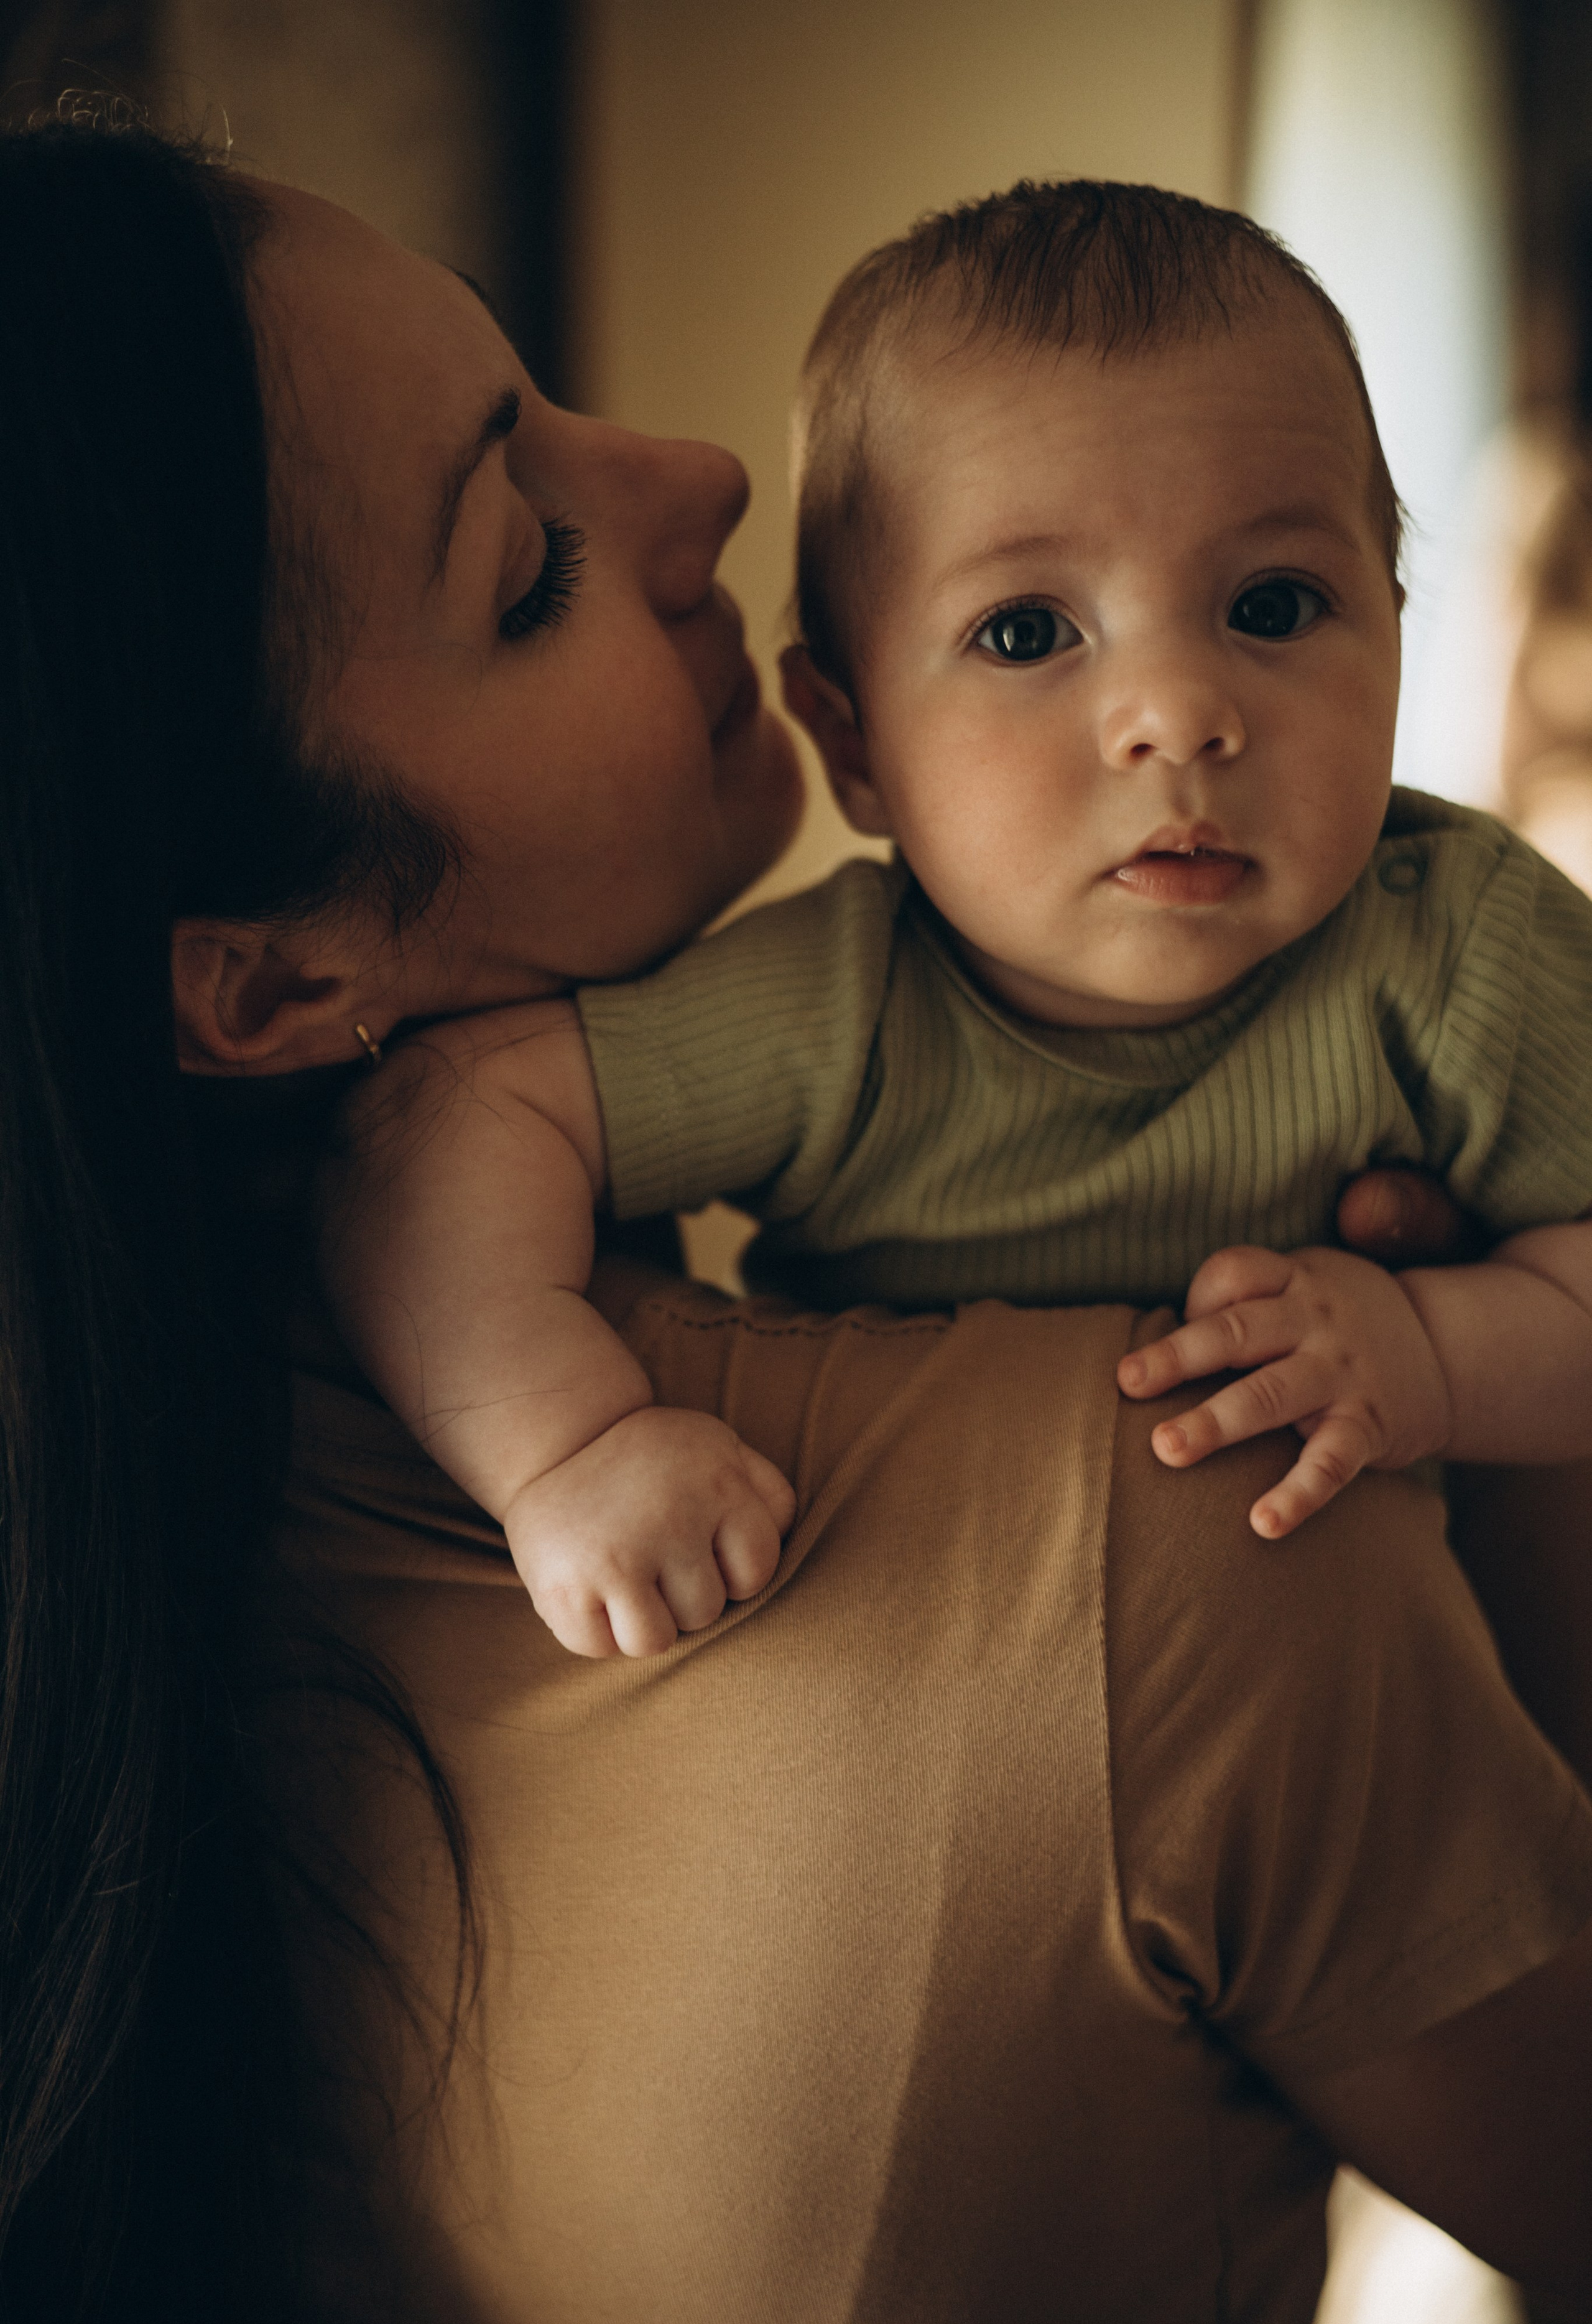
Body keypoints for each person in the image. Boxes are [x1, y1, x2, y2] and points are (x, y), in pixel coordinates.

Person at [0, 112, 1588, 2324]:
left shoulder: (121, 1603)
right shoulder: (1177, 1534)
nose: (707, 480)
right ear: (265, 980)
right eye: (528, 562)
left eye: (1275, 600)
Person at [315, 181, 1592, 1663]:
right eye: (1026, 632)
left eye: (1271, 605)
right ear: (852, 743)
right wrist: (565, 1448)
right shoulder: (838, 1007)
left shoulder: (1461, 950)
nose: (1177, 714)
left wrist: (1432, 1352)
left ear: (1394, 633)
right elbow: (443, 1136)